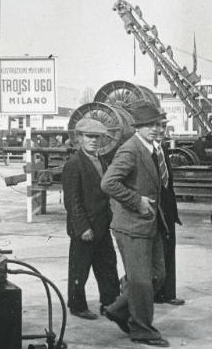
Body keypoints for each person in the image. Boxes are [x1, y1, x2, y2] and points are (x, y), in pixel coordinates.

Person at [101, 100, 170, 347]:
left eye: (157, 124)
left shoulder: (151, 148)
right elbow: (108, 183)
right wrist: (136, 201)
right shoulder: (131, 149)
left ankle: (119, 310)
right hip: (132, 225)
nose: (154, 129)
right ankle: (142, 329)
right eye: (148, 125)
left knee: (157, 275)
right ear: (138, 127)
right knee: (141, 282)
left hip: (150, 223)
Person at [62, 118, 120, 320]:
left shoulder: (101, 160)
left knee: (108, 266)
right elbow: (72, 200)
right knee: (80, 268)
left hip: (102, 225)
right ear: (79, 138)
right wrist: (82, 228)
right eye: (90, 137)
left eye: (98, 137)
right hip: (85, 228)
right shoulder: (74, 164)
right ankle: (77, 305)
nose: (94, 141)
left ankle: (111, 304)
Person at [153, 116, 184, 306]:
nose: (161, 129)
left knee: (168, 252)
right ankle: (154, 294)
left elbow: (168, 186)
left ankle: (168, 294)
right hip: (152, 211)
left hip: (167, 211)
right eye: (157, 126)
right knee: (153, 256)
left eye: (163, 126)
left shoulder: (162, 149)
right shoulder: (143, 151)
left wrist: (174, 213)